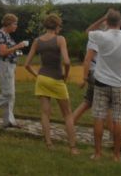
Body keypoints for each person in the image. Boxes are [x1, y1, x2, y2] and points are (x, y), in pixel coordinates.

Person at [85, 9, 121, 162]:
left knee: (98, 117)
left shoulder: (101, 36)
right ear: (120, 22)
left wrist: (102, 17)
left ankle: (97, 154)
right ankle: (116, 155)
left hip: (101, 83)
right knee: (118, 120)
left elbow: (88, 30)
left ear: (107, 23)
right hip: (120, 85)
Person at [23, 13, 78, 155]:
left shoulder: (37, 41)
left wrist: (37, 75)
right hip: (56, 79)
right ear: (57, 26)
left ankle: (48, 144)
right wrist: (65, 75)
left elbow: (27, 64)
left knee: (45, 114)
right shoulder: (60, 39)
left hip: (42, 79)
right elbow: (66, 61)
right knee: (67, 114)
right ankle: (72, 148)